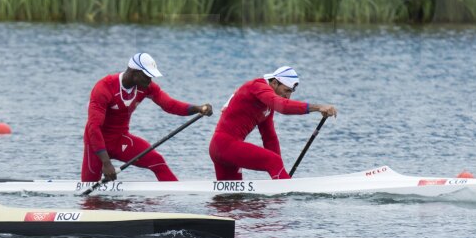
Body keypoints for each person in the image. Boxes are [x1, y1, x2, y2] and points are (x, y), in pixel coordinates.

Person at [83, 53, 213, 183]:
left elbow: (170, 105)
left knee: (157, 161)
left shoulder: (146, 87)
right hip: (96, 144)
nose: (150, 81)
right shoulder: (104, 87)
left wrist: (198, 109)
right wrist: (106, 163)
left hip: (120, 139)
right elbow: (94, 127)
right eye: (147, 76)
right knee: (89, 192)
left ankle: (177, 198)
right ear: (134, 72)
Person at [209, 67, 337, 181]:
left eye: (290, 92)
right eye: (286, 91)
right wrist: (318, 107)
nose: (288, 97)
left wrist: (280, 171)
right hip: (225, 145)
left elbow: (269, 138)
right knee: (273, 161)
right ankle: (286, 197)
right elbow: (282, 106)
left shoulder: (267, 105)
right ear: (274, 83)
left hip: (224, 149)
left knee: (230, 202)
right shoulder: (257, 86)